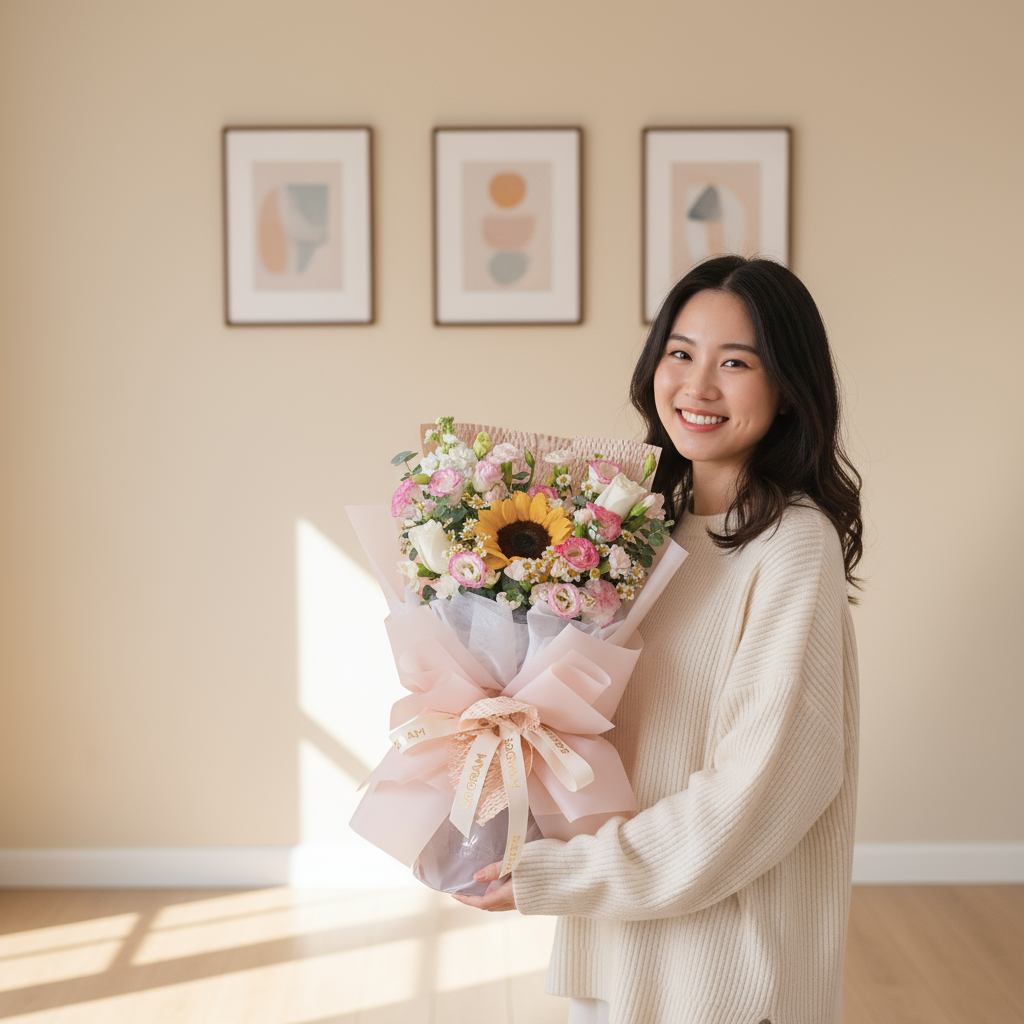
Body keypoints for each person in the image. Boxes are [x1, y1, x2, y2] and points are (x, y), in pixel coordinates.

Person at [453, 255, 863, 1024]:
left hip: (723, 978)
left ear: (787, 390)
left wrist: (559, 875)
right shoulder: (638, 539)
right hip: (620, 952)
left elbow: (756, 798)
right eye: (681, 353)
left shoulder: (792, 547)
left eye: (736, 363)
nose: (698, 386)